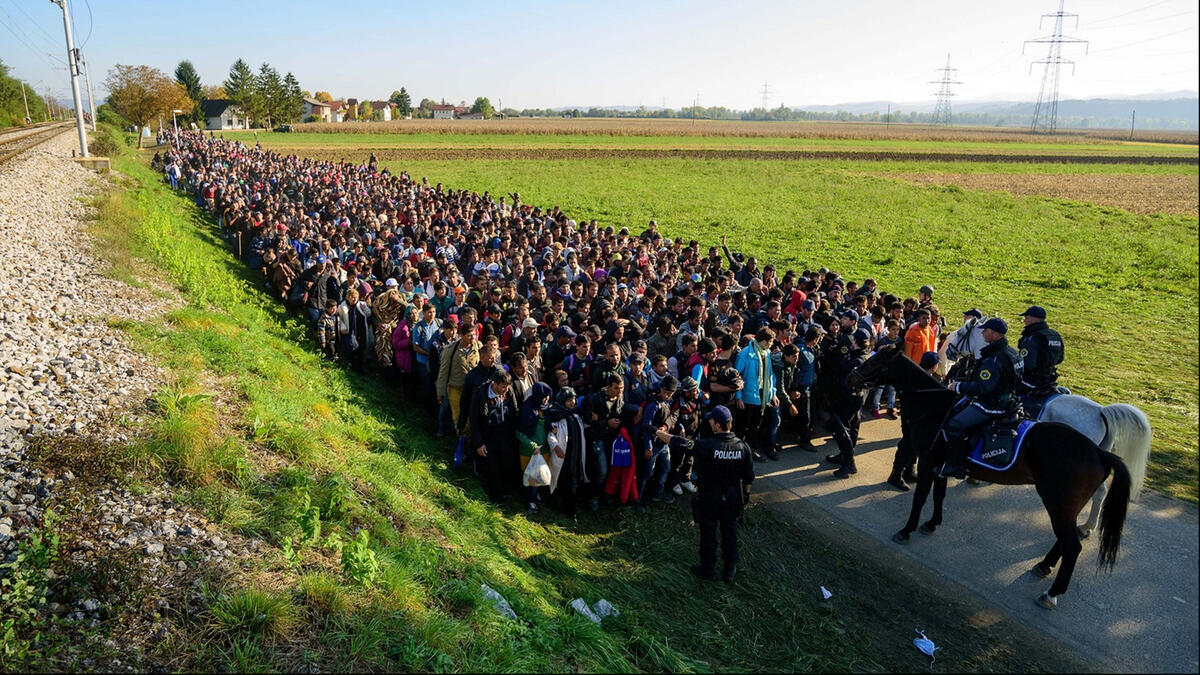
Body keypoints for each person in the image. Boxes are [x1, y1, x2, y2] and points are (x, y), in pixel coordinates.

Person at [656, 405, 754, 583]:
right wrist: (745, 496)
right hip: (732, 498)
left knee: (708, 533)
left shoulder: (708, 445)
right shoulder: (743, 446)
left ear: (717, 425)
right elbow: (749, 477)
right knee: (729, 532)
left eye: (711, 420)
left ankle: (707, 569)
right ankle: (730, 568)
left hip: (710, 497)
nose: (708, 422)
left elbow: (681, 444)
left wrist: (660, 434)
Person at [940, 318, 1023, 479]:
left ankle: (957, 465)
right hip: (1009, 401)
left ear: (995, 334)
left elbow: (983, 387)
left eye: (986, 330)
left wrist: (957, 386)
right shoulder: (1012, 353)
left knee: (954, 425)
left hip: (990, 404)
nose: (983, 332)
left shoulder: (994, 359)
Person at [887, 350, 940, 491]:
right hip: (915, 419)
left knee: (914, 446)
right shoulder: (928, 380)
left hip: (910, 417)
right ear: (934, 366)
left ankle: (909, 470)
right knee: (907, 446)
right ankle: (895, 475)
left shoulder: (913, 374)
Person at [825, 328, 871, 478]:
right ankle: (844, 456)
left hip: (849, 399)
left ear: (855, 341)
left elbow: (848, 382)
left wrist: (838, 400)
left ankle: (848, 463)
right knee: (852, 428)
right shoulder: (863, 356)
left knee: (841, 429)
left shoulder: (857, 361)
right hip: (857, 399)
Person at [469, 370, 519, 503]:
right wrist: (479, 443)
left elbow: (514, 411)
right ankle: (496, 498)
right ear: (494, 384)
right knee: (493, 469)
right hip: (489, 439)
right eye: (503, 386)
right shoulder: (481, 395)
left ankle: (505, 492)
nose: (505, 390)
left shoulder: (509, 392)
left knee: (507, 466)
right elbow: (474, 420)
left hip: (506, 437)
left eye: (507, 386)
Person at [734, 327, 777, 461]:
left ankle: (751, 450)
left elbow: (770, 376)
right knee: (743, 426)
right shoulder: (746, 354)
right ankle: (740, 452)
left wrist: (773, 393)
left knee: (755, 426)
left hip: (762, 396)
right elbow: (737, 377)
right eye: (770, 341)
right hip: (747, 397)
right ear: (763, 341)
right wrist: (738, 397)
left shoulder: (767, 353)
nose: (772, 344)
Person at [1016, 305, 1064, 416]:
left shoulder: (1032, 338)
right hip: (1049, 381)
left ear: (1034, 319)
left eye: (1027, 317)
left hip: (1031, 381)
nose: (1025, 320)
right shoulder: (1055, 335)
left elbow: (1027, 365)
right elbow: (1060, 359)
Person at [516, 382, 554, 514]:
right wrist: (532, 446)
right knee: (531, 479)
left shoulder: (546, 408)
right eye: (544, 396)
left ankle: (536, 496)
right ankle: (530, 501)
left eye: (548, 397)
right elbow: (519, 432)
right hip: (529, 452)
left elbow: (546, 426)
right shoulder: (527, 409)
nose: (546, 399)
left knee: (540, 477)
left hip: (543, 451)